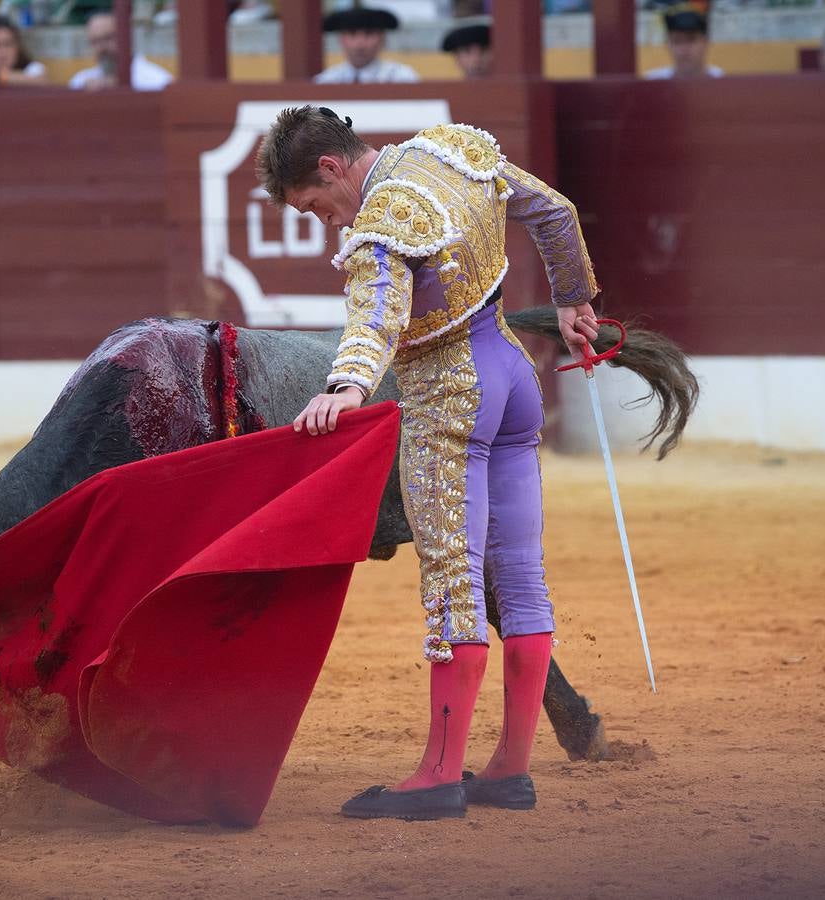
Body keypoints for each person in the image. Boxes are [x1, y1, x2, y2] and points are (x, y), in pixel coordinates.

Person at [256, 107, 601, 820]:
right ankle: (510, 769)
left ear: (331, 167)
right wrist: (573, 300)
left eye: (315, 206)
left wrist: (348, 385)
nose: (327, 221)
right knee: (521, 578)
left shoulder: (382, 220)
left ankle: (439, 776)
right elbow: (555, 212)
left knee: (453, 584)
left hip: (450, 396)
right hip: (514, 379)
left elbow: (377, 314)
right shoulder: (452, 150)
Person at [68, 12, 173, 91]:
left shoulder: (157, 81)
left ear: (126, 38)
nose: (102, 48)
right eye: (94, 42)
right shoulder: (81, 81)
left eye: (108, 38)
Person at [314, 6, 419, 84]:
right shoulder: (327, 80)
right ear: (341, 39)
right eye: (352, 33)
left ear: (382, 39)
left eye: (369, 33)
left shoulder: (401, 78)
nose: (360, 43)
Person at [645, 2, 723, 80]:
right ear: (667, 44)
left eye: (691, 39)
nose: (684, 48)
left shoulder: (723, 82)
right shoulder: (651, 83)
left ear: (705, 42)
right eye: (677, 41)